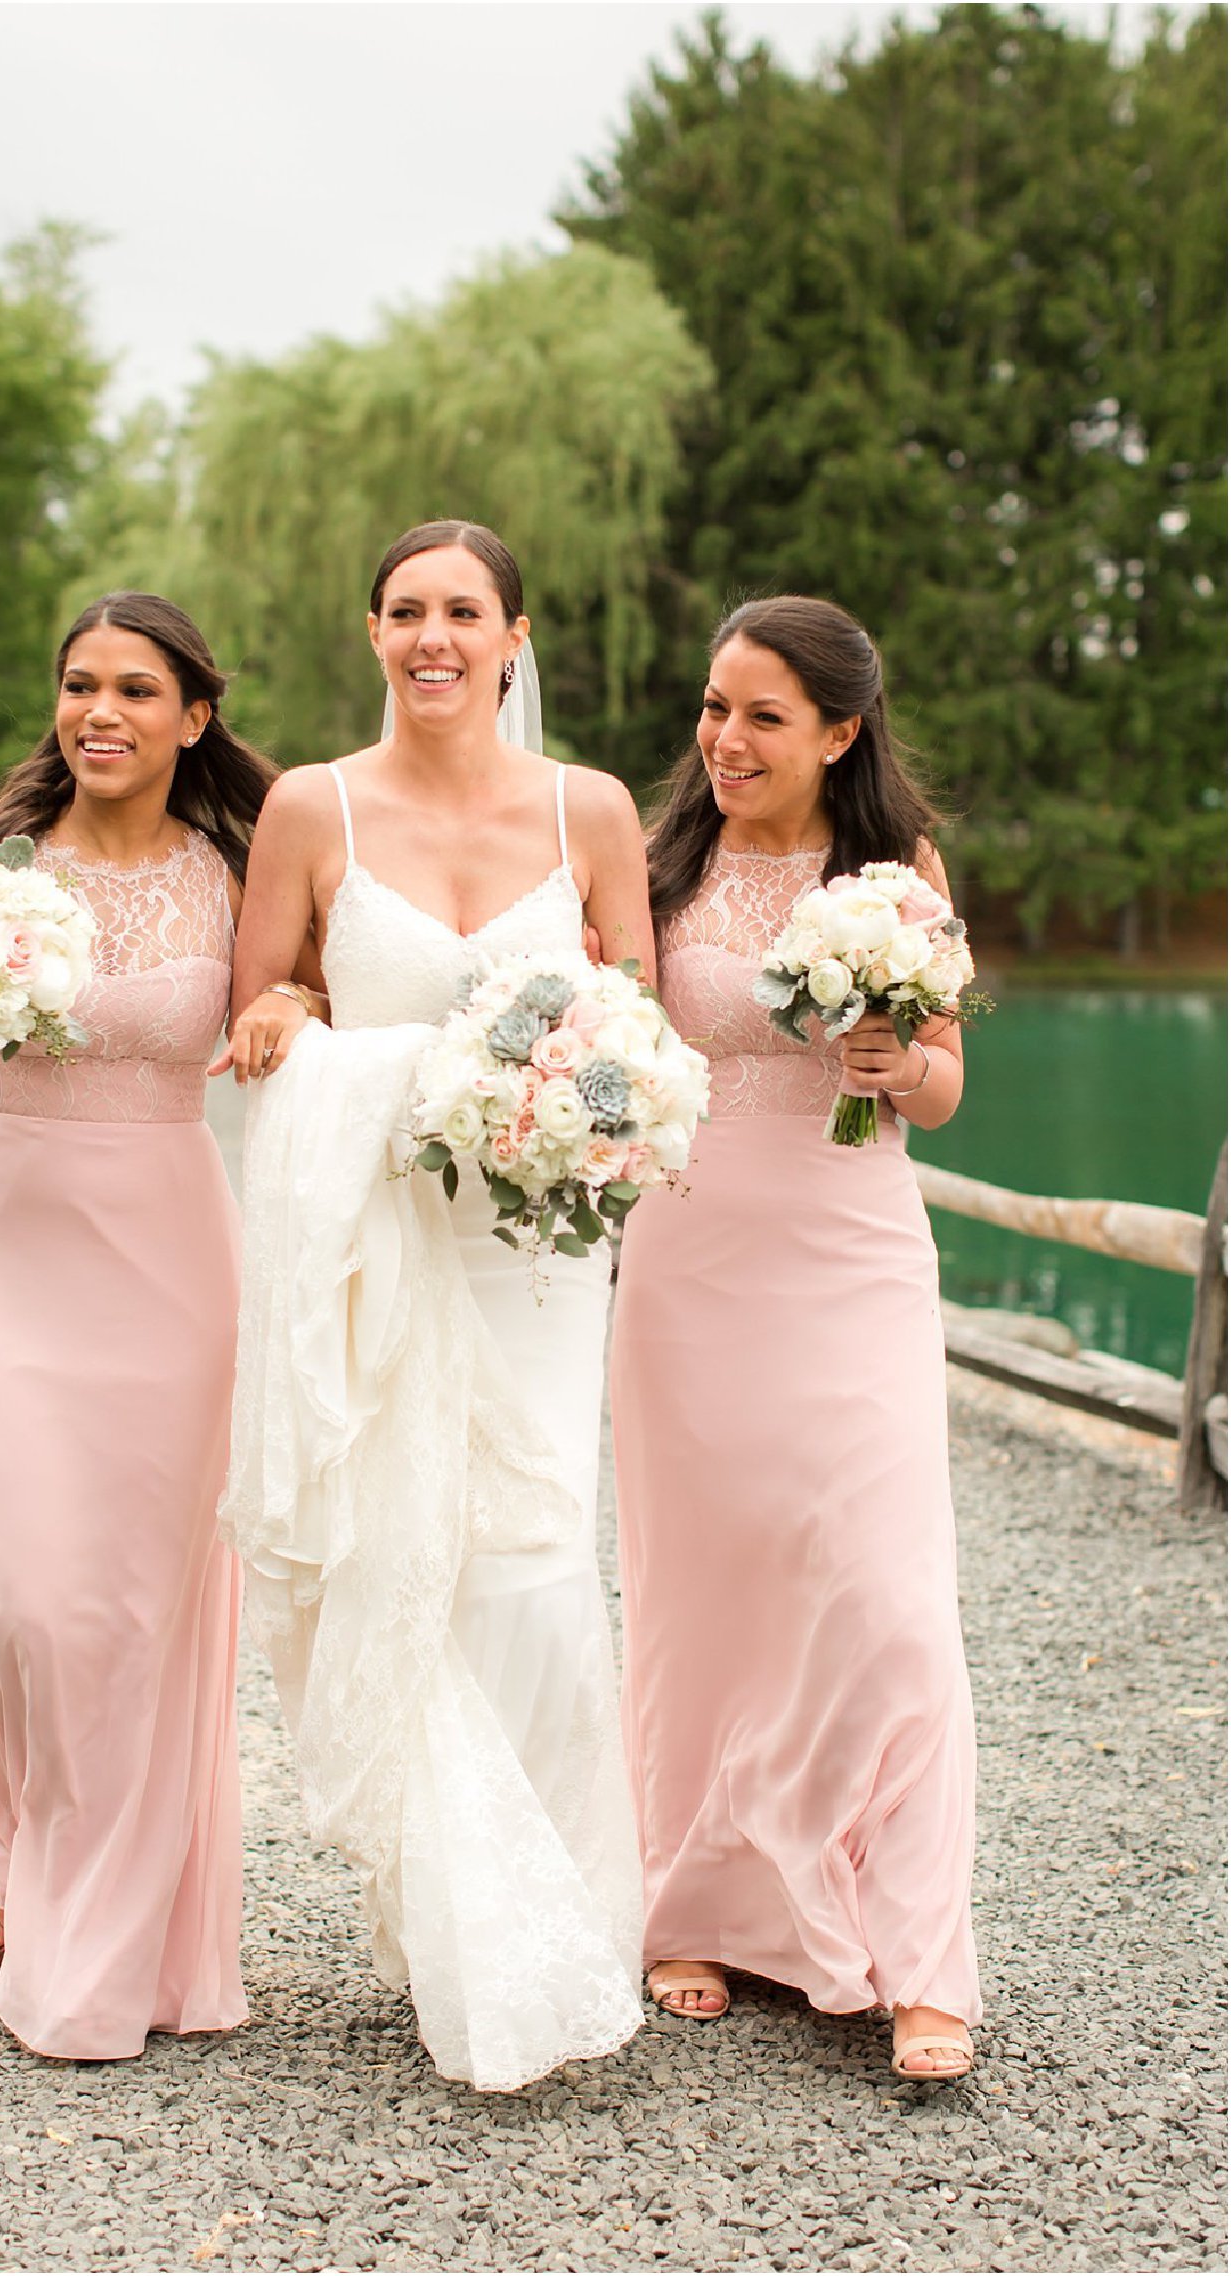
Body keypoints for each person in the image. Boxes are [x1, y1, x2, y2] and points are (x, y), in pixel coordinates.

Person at [219, 520, 652, 2091]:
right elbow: (266, 1003)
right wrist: (281, 1012)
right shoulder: (308, 806)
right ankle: (452, 1930)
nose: (434, 636)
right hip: (376, 1240)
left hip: (534, 1252)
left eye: (464, 610)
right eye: (406, 610)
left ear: (516, 634)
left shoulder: (590, 809)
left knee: (533, 1568)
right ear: (374, 629)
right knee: (405, 1555)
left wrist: (581, 1109)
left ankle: (569, 1914)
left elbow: (637, 1027)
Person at [0, 592, 309, 2059]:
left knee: (129, 1614)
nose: (98, 711)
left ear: (193, 717)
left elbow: (292, 1008)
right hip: (13, 1248)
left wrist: (290, 1004)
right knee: (24, 1601)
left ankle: (94, 1937)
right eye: (77, 686)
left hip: (172, 1261)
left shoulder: (240, 870)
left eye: (132, 688)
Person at [609, 594, 980, 2081]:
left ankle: (920, 1955)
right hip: (693, 1258)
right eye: (713, 708)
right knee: (707, 1590)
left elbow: (949, 1084)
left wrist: (902, 1062)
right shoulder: (659, 869)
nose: (726, 739)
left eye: (763, 715)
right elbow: (611, 1049)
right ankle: (691, 1901)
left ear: (841, 731)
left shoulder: (896, 877)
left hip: (852, 1250)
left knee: (888, 1597)